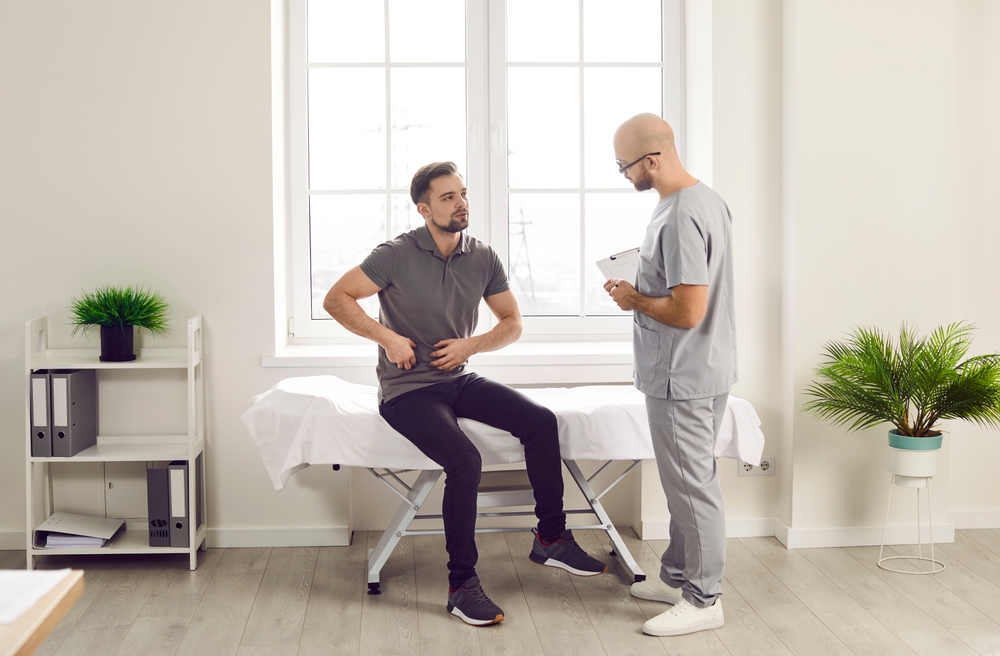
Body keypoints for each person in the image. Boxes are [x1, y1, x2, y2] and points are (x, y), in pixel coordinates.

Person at [323, 161, 608, 627]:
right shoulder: (394, 255)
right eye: (448, 197)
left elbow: (512, 323)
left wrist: (470, 346)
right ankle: (461, 586)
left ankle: (551, 539)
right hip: (407, 391)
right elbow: (336, 298)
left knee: (541, 421)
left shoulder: (483, 256)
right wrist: (389, 340)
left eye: (463, 194)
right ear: (424, 208)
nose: (461, 203)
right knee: (464, 460)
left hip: (457, 378)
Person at [604, 114, 737, 637]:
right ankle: (681, 577)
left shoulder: (680, 214)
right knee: (689, 480)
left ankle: (705, 600)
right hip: (708, 365)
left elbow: (687, 311)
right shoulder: (706, 200)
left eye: (624, 165)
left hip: (681, 373)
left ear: (651, 160)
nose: (623, 174)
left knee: (691, 487)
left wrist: (633, 298)